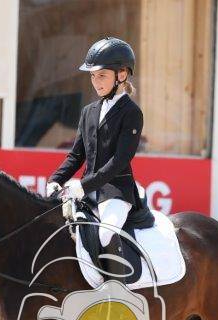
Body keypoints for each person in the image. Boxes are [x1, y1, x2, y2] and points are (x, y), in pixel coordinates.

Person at [46, 37, 150, 277]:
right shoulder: (89, 111)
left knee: (106, 233)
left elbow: (119, 161)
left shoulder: (132, 113)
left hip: (116, 190)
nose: (96, 82)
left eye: (102, 75)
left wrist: (83, 186)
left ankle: (117, 289)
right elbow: (77, 155)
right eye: (93, 76)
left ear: (121, 74)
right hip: (87, 189)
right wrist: (56, 179)